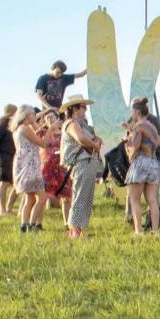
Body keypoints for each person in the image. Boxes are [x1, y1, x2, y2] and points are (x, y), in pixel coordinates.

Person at [60, 96, 104, 239]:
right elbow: (81, 139)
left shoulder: (81, 124)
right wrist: (95, 145)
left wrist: (96, 141)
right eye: (83, 107)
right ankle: (74, 230)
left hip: (87, 162)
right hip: (82, 162)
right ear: (75, 109)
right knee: (80, 196)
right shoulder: (72, 123)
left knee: (85, 197)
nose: (86, 109)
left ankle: (78, 229)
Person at [124, 97, 160, 235]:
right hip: (153, 163)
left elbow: (135, 146)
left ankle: (138, 231)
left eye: (132, 112)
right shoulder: (152, 127)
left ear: (138, 112)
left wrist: (128, 149)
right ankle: (155, 231)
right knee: (152, 200)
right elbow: (156, 144)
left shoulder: (138, 127)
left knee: (134, 199)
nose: (131, 115)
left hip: (140, 163)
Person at [10, 105, 46, 231]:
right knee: (42, 198)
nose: (34, 116)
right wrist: (50, 130)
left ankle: (24, 225)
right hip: (31, 166)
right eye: (32, 114)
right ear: (26, 115)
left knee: (30, 198)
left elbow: (33, 137)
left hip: (23, 165)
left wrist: (37, 125)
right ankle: (32, 224)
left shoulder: (18, 129)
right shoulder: (25, 128)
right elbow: (42, 143)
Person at [40, 109, 72, 214]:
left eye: (51, 117)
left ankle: (67, 221)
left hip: (61, 168)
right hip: (47, 169)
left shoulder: (64, 134)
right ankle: (36, 221)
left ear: (57, 118)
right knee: (42, 198)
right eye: (47, 118)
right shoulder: (43, 133)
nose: (49, 119)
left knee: (66, 197)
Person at [0, 103, 18, 216]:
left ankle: (9, 208)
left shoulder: (13, 128)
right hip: (4, 157)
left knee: (17, 184)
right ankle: (2, 210)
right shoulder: (2, 128)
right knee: (4, 183)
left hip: (13, 157)